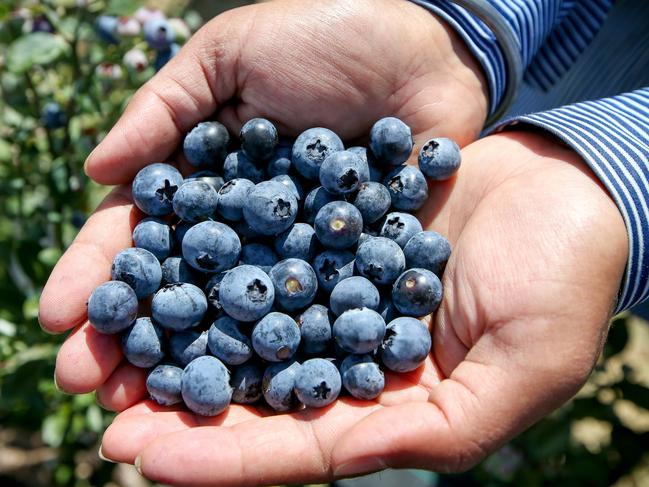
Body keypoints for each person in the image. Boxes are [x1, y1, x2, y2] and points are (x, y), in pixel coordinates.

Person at [38, 0, 648, 484]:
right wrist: (457, 25)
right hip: (514, 102)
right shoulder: (229, 243)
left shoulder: (370, 229)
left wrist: (612, 185)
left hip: (514, 174)